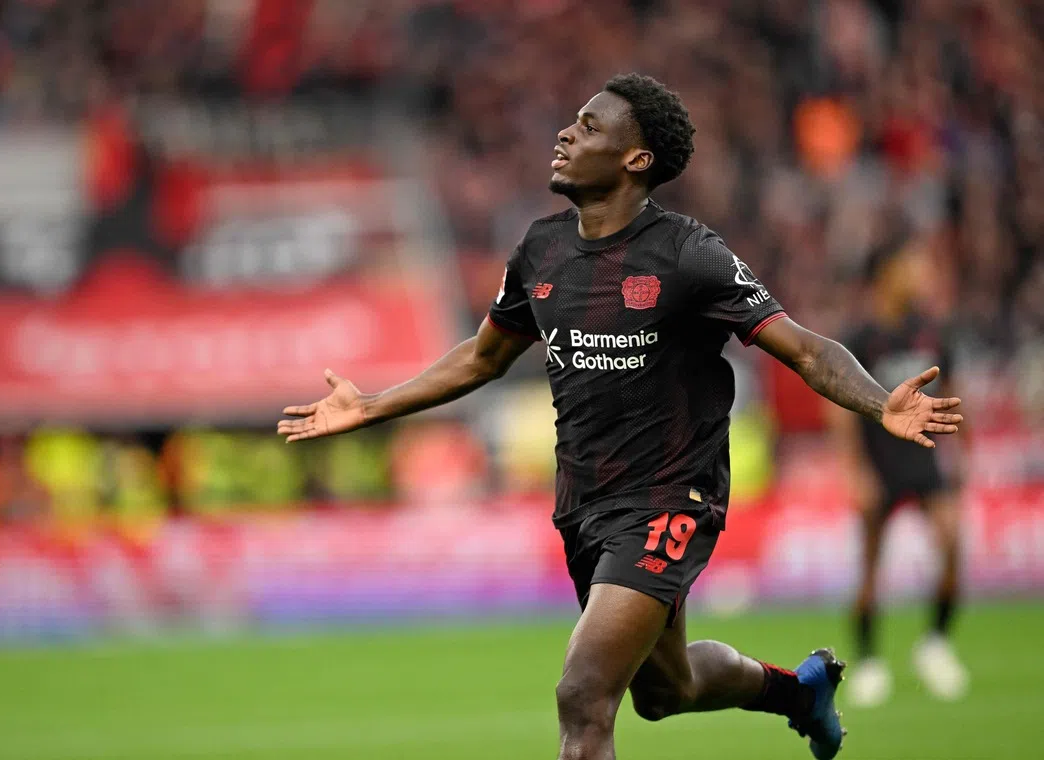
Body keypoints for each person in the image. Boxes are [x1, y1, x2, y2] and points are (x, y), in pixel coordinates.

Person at [277, 73, 964, 760]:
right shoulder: (540, 252)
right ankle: (799, 693)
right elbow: (481, 360)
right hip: (586, 505)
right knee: (666, 691)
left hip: (670, 499)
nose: (566, 134)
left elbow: (806, 349)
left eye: (589, 125)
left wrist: (880, 402)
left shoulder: (687, 253)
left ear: (637, 159)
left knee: (583, 694)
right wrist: (372, 405)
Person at [832, 241, 968, 708]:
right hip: (880, 463)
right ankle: (869, 662)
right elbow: (841, 411)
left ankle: (935, 644)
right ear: (887, 275)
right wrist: (856, 471)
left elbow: (954, 394)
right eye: (910, 268)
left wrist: (963, 452)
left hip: (925, 458)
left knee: (951, 543)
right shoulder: (860, 336)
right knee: (870, 570)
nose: (919, 276)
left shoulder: (931, 333)